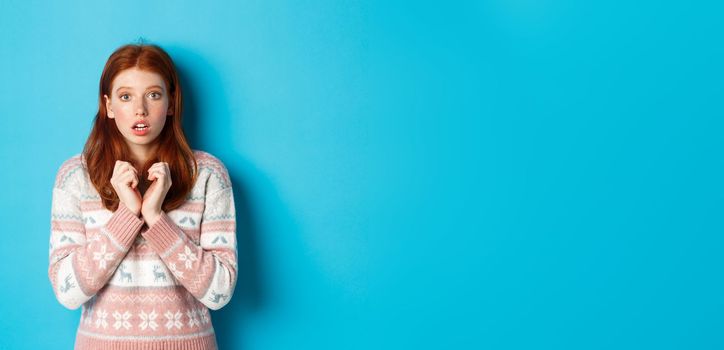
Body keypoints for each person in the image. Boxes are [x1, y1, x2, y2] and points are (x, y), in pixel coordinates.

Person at [48, 43, 237, 350]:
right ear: (108, 106)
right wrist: (127, 215)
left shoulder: (208, 175)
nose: (140, 109)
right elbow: (67, 292)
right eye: (126, 96)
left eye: (153, 94)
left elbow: (219, 292)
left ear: (172, 103)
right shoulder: (74, 178)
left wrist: (156, 219)